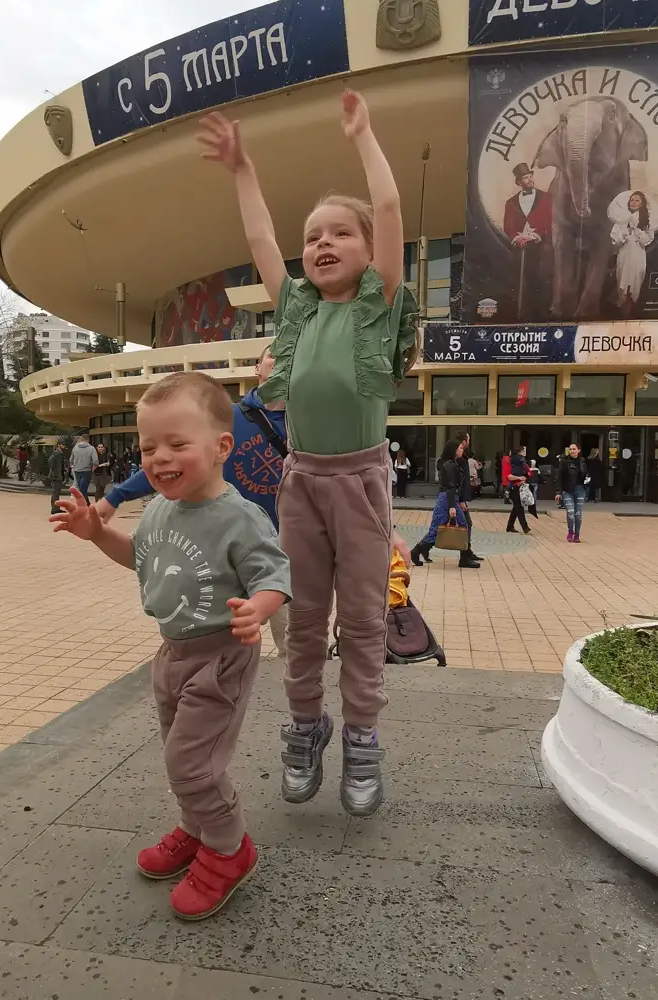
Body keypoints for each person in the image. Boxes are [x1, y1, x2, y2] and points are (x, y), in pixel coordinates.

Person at [197, 89, 417, 818]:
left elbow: (388, 212)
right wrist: (243, 169)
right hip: (301, 483)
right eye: (313, 236)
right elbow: (262, 242)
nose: (322, 244)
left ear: (366, 253)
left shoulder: (375, 306)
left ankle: (361, 738)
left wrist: (364, 135)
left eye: (338, 235)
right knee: (299, 618)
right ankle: (303, 726)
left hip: (358, 482)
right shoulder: (297, 310)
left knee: (359, 620)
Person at [50, 372, 291, 921]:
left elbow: (275, 574)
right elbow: (137, 558)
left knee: (192, 764)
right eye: (148, 447)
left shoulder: (240, 517)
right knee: (180, 755)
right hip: (171, 652)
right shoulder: (159, 508)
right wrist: (97, 534)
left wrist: (261, 608)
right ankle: (195, 828)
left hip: (220, 656)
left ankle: (229, 850)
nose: (159, 459)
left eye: (177, 444)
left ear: (221, 446)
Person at [96, 348, 290, 656]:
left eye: (293, 353)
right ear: (257, 367)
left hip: (286, 545)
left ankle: (299, 701)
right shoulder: (229, 417)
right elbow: (172, 468)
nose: (160, 455)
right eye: (275, 354)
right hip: (214, 544)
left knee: (295, 644)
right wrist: (112, 502)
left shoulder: (312, 423)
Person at [503, 163, 553, 321]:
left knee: (540, 281)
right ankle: (519, 315)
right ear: (519, 182)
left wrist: (535, 235)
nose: (530, 179)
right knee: (518, 281)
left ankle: (541, 316)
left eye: (530, 176)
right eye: (526, 177)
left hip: (541, 247)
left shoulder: (546, 197)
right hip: (519, 249)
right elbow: (508, 225)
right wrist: (517, 238)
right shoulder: (510, 203)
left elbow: (548, 219)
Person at [410, 439, 469, 567]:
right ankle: (464, 559)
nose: (462, 449)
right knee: (461, 524)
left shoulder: (451, 463)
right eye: (459, 448)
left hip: (447, 498)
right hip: (447, 498)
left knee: (437, 528)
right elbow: (451, 486)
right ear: (453, 450)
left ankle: (419, 550)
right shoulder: (450, 465)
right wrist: (452, 506)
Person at [609, 190, 656, 318]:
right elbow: (616, 240)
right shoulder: (622, 220)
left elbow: (647, 240)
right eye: (632, 200)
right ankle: (623, 315)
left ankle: (630, 313)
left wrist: (638, 231)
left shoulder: (646, 220)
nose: (634, 202)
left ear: (642, 204)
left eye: (637, 200)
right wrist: (626, 231)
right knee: (622, 285)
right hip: (624, 254)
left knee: (634, 285)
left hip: (638, 255)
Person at [454, 431, 482, 568]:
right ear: (463, 441)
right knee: (464, 525)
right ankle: (464, 557)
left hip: (459, 497)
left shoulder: (462, 456)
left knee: (466, 524)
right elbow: (457, 481)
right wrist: (460, 499)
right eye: (468, 439)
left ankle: (467, 552)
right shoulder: (455, 458)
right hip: (455, 498)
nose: (469, 441)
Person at [556, 443, 588, 542]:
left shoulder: (583, 462)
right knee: (570, 512)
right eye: (570, 449)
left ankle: (577, 535)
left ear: (579, 450)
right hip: (568, 489)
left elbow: (587, 474)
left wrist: (587, 480)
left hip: (580, 489)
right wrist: (558, 492)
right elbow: (559, 477)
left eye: (574, 449)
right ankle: (570, 532)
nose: (572, 451)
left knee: (578, 513)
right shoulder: (564, 462)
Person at [505, 446, 532, 535]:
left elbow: (528, 473)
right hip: (513, 487)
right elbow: (508, 476)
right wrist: (519, 478)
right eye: (521, 453)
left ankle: (510, 526)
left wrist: (524, 479)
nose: (522, 455)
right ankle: (525, 527)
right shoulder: (508, 462)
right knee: (519, 507)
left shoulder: (521, 463)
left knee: (516, 507)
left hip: (520, 487)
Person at [69, 433, 99, 505]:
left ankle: (84, 504)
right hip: (87, 470)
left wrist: (74, 467)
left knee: (81, 488)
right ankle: (86, 504)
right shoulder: (92, 448)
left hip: (77, 470)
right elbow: (95, 461)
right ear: (88, 440)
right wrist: (93, 469)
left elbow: (71, 460)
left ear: (81, 439)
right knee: (84, 489)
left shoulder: (75, 447)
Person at [48, 441, 67, 515]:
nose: (64, 446)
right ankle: (54, 508)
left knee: (57, 492)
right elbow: (50, 461)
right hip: (56, 476)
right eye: (63, 445)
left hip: (58, 475)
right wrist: (54, 470)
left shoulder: (60, 453)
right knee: (55, 492)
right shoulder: (57, 453)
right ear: (59, 445)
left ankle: (56, 507)